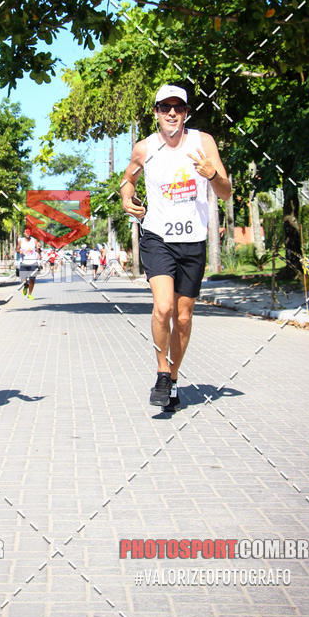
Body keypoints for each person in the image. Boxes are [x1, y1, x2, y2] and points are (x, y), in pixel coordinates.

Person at [120, 84, 231, 413]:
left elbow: (225, 191)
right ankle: (161, 373)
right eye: (165, 107)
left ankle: (173, 377)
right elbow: (128, 179)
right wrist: (126, 199)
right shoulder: (145, 148)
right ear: (155, 113)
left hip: (193, 240)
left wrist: (213, 175)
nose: (171, 113)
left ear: (186, 113)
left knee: (183, 318)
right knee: (164, 307)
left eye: (178, 108)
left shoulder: (203, 142)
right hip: (157, 238)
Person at [18, 227, 40, 299]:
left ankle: (30, 294)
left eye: (29, 232)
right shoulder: (21, 241)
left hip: (33, 262)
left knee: (32, 279)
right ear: (24, 233)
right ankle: (25, 286)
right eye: (26, 232)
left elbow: (38, 249)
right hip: (24, 262)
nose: (27, 234)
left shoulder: (34, 240)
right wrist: (20, 251)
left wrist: (39, 253)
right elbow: (17, 249)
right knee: (23, 279)